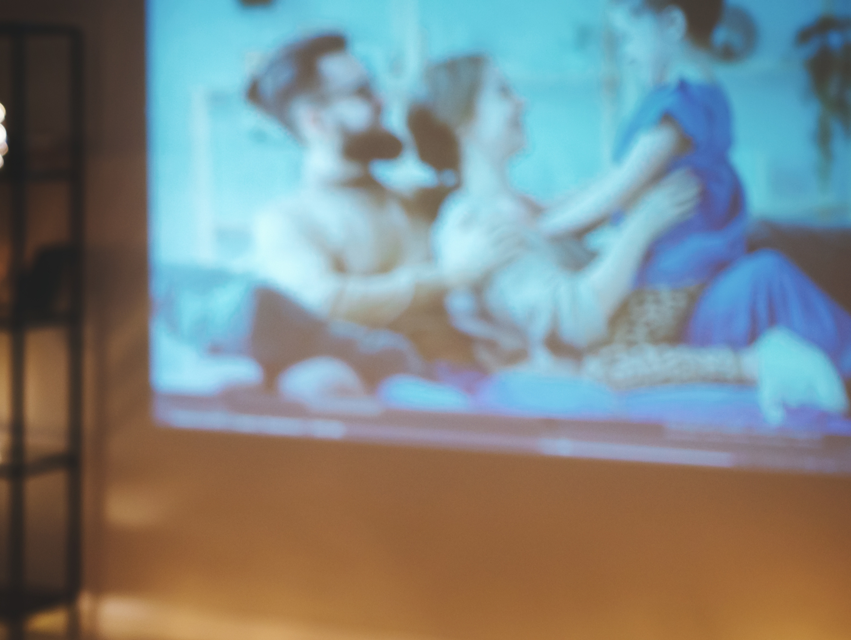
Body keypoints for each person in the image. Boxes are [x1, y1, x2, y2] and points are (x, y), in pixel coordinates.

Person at [413, 54, 846, 422]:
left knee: (763, 273)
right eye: (503, 92)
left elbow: (600, 194)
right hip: (608, 359)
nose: (521, 102)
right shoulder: (476, 227)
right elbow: (576, 322)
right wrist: (644, 225)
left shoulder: (523, 206)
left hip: (639, 331)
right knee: (765, 281)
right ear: (463, 123)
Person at [533, 0, 851, 411]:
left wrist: (542, 229)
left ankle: (758, 367)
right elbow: (607, 179)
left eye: (629, 37)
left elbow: (618, 187)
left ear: (673, 24)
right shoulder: (696, 97)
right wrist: (544, 208)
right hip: (694, 269)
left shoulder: (679, 111)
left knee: (603, 364)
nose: (625, 52)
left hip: (674, 280)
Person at [245, 32, 518, 361]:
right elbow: (319, 301)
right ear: (316, 120)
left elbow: (523, 217)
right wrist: (449, 277)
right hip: (397, 395)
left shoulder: (415, 198)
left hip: (476, 379)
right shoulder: (287, 220)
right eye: (362, 92)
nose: (382, 101)